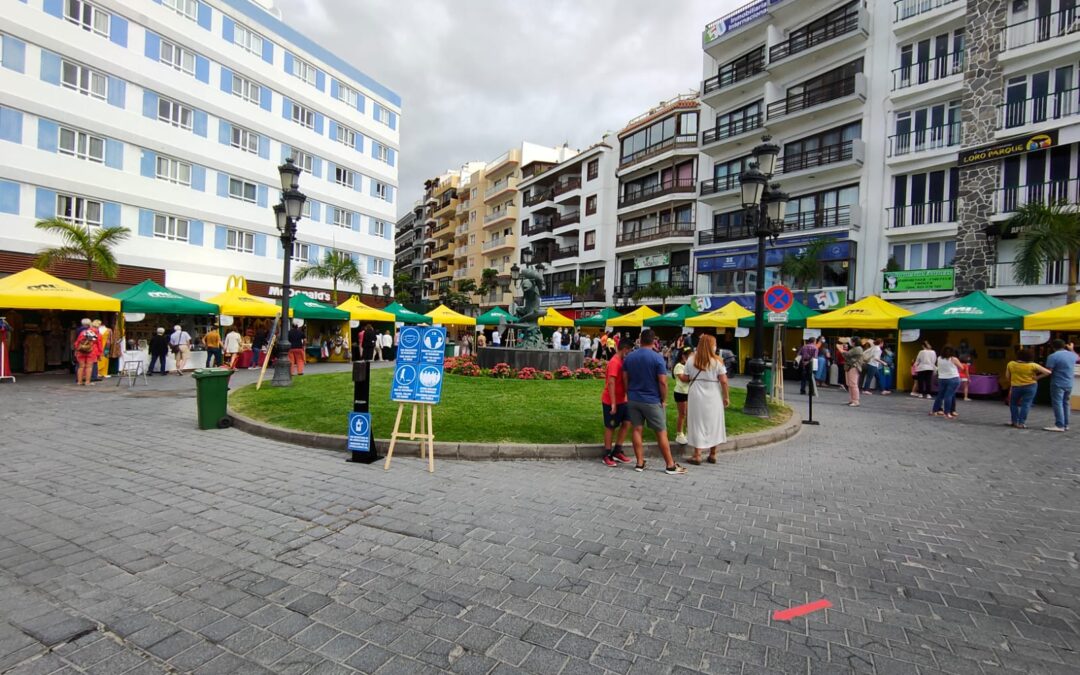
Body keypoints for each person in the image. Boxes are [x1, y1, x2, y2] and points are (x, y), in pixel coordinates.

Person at [622, 329, 687, 475]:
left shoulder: (630, 357)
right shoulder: (657, 358)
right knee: (660, 432)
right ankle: (670, 464)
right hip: (651, 400)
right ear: (653, 341)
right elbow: (663, 382)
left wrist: (629, 393)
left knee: (637, 429)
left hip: (633, 398)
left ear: (640, 340)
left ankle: (639, 462)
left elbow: (625, 378)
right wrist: (663, 399)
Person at [685, 334, 730, 465]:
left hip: (696, 393)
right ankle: (713, 453)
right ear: (712, 346)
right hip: (713, 392)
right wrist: (726, 396)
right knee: (714, 422)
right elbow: (724, 381)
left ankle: (697, 454)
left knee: (696, 421)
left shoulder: (691, 360)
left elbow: (686, 377)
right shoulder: (717, 361)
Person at [600, 340, 633, 467]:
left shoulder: (622, 361)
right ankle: (607, 454)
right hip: (611, 400)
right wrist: (613, 404)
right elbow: (611, 383)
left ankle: (617, 451)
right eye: (629, 351)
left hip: (623, 399)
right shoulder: (614, 362)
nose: (629, 353)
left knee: (626, 423)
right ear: (624, 349)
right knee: (611, 426)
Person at [1006, 349, 1051, 429]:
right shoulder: (1032, 365)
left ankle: (1014, 421)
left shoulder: (1011, 364)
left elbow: (1007, 376)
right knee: (1026, 404)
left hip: (1016, 386)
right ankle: (1021, 423)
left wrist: (1013, 381)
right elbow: (1048, 372)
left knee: (1013, 404)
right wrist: (1037, 377)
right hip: (1030, 386)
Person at [1044, 340, 1078, 432]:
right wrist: (1072, 349)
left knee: (1057, 403)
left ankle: (1059, 425)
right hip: (1069, 382)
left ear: (1053, 347)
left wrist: (1037, 377)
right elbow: (1078, 358)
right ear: (1064, 346)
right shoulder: (1072, 355)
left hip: (1057, 383)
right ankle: (1066, 424)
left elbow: (1048, 371)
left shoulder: (1053, 356)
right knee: (1066, 403)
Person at [931, 345, 963, 419]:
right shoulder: (953, 359)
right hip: (953, 378)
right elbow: (961, 367)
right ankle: (947, 413)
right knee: (949, 396)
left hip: (942, 378)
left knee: (940, 395)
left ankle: (934, 411)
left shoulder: (939, 358)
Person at [672, 347, 692, 446]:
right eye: (688, 355)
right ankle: (679, 434)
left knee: (689, 413)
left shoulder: (690, 366)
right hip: (680, 393)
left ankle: (689, 432)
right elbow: (684, 379)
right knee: (682, 414)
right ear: (683, 356)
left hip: (689, 392)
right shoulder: (679, 366)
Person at [72, 318, 101, 386]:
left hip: (81, 351)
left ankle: (79, 381)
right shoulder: (94, 333)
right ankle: (87, 382)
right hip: (90, 351)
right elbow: (98, 343)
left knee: (81, 367)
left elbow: (77, 343)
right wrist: (99, 353)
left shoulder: (82, 332)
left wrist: (77, 349)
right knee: (89, 367)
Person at [843, 339, 863, 407]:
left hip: (853, 366)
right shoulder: (855, 348)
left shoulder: (857, 349)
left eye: (851, 341)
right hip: (850, 366)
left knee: (853, 384)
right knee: (849, 384)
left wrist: (842, 350)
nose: (850, 343)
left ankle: (856, 401)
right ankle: (852, 400)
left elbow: (847, 355)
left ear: (854, 342)